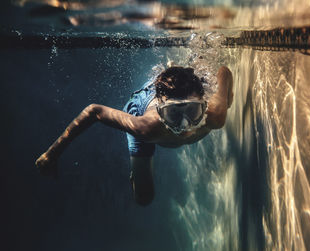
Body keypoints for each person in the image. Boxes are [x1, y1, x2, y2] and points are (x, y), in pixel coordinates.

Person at [35, 66, 233, 206]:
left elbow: (223, 71)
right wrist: (51, 154)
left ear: (204, 105)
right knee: (144, 198)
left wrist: (227, 96)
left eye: (192, 112)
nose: (183, 125)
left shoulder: (214, 115)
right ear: (161, 110)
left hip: (182, 95)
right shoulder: (145, 127)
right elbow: (94, 111)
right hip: (144, 105)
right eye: (173, 114)